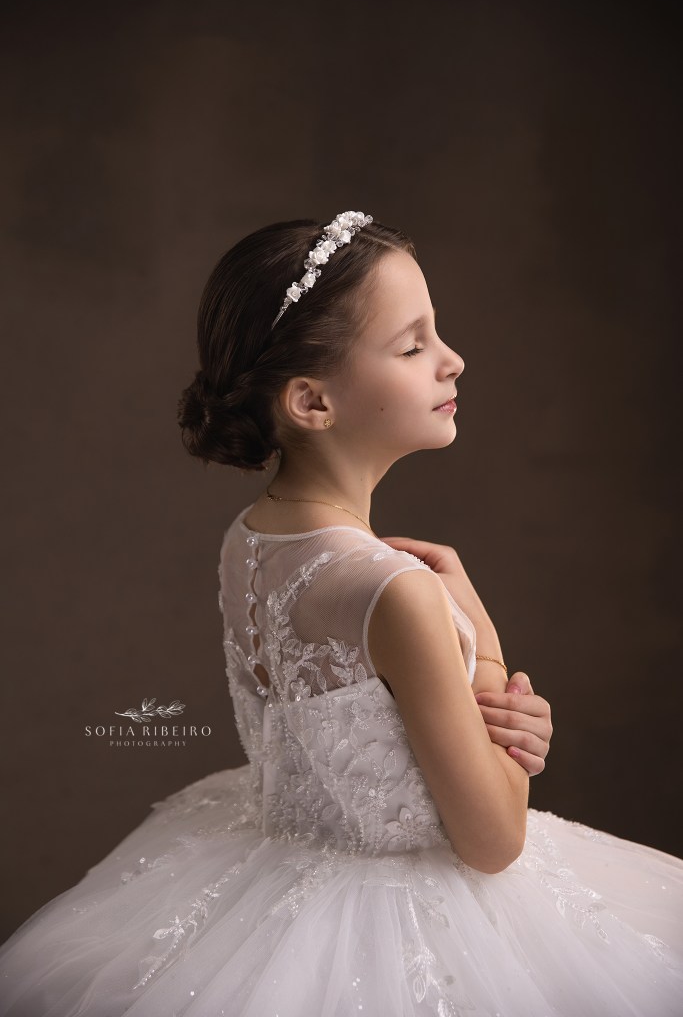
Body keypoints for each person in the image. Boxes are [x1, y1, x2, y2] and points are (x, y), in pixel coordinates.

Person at [0, 211, 680, 1017]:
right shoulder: (396, 592)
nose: (452, 359)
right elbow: (492, 842)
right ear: (312, 401)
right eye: (412, 344)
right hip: (406, 930)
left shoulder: (249, 537)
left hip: (267, 877)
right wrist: (486, 655)